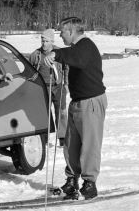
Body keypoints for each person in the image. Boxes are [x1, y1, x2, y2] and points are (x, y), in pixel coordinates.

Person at [44, 17, 107, 200]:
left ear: (71, 31)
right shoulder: (75, 49)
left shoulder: (86, 46)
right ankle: (72, 181)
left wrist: (57, 55)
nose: (60, 36)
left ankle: (90, 184)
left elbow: (77, 58)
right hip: (77, 102)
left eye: (62, 32)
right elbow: (72, 56)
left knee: (89, 145)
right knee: (71, 145)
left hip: (91, 102)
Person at [29, 29, 68, 146]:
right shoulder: (35, 55)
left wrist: (66, 84)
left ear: (51, 41)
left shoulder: (59, 52)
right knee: (44, 113)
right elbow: (29, 71)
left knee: (61, 112)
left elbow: (67, 68)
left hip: (58, 86)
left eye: (46, 41)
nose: (44, 43)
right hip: (43, 88)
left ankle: (63, 139)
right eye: (42, 40)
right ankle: (44, 139)